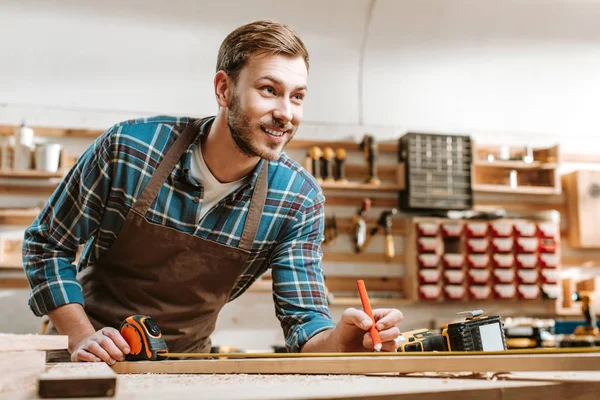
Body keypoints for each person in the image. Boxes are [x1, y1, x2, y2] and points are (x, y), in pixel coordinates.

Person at [22, 20, 403, 364]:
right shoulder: (131, 149)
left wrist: (342, 340)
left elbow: (305, 321)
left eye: (297, 96)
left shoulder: (298, 200)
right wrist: (81, 335)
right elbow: (46, 245)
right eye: (269, 90)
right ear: (224, 89)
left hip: (185, 368)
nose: (286, 112)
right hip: (85, 355)